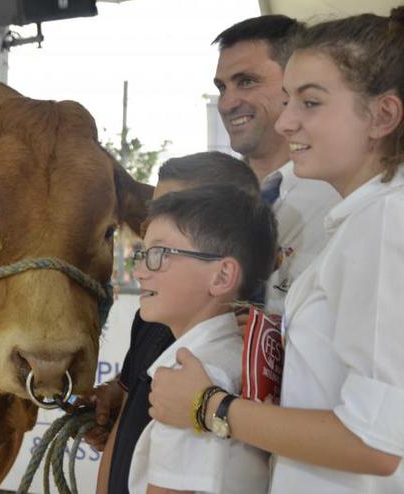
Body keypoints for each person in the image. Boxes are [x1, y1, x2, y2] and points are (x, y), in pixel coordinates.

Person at [149, 8, 404, 493]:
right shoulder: (365, 219)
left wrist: (208, 407)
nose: (286, 122)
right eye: (287, 101)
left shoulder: (385, 220)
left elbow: (376, 442)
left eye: (310, 103)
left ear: (382, 116)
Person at [90, 151, 261, 494]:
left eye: (163, 252)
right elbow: (127, 416)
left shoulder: (197, 379)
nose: (140, 270)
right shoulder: (157, 320)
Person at [127, 184, 277, 493]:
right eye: (142, 254)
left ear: (221, 276)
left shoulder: (191, 383)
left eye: (159, 254)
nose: (140, 271)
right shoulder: (234, 357)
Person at [212, 14, 340, 316]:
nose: (227, 102)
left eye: (246, 82)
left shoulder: (342, 196)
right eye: (222, 87)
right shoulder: (213, 202)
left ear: (295, 81)